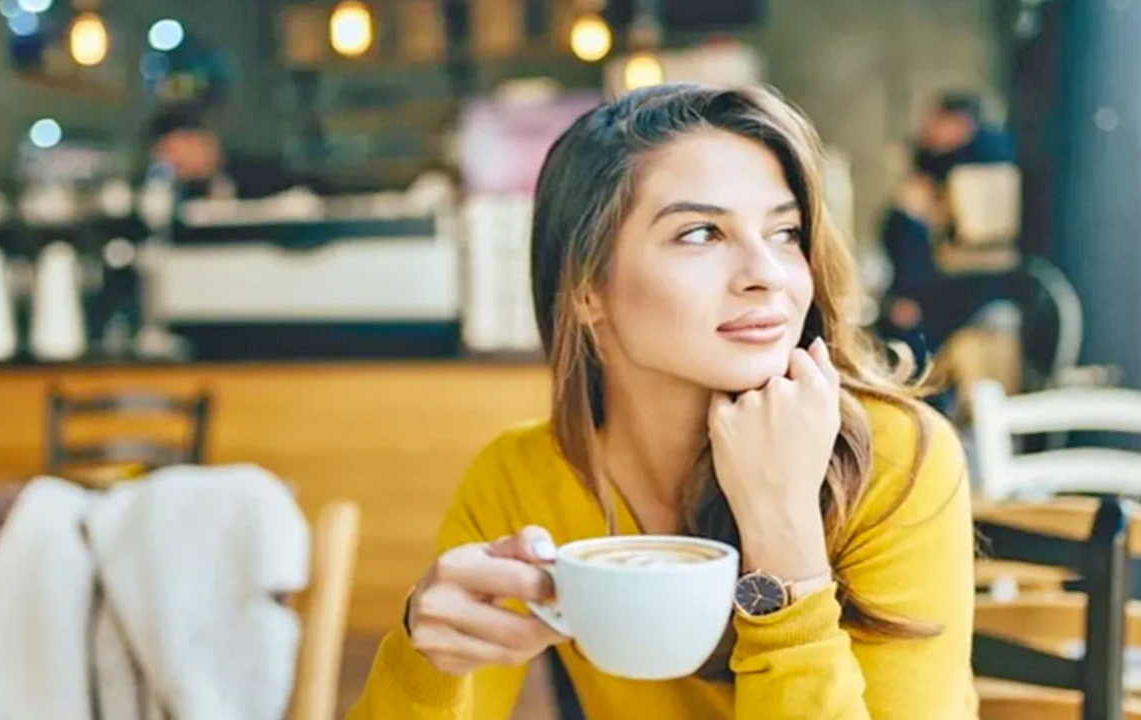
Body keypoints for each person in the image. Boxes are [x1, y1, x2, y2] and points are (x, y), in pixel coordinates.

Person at [348, 85, 975, 719]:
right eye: (701, 233)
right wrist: (427, 655)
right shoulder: (521, 478)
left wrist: (781, 530)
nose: (768, 273)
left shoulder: (896, 459)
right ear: (587, 288)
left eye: (785, 232)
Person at [879, 92, 1018, 358]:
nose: (928, 129)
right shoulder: (936, 160)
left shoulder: (981, 159)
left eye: (936, 121)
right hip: (944, 277)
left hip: (964, 281)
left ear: (960, 124)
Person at [144, 106, 295, 201]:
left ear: (211, 140)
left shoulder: (262, 173)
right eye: (172, 153)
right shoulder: (162, 193)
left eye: (192, 146)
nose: (187, 158)